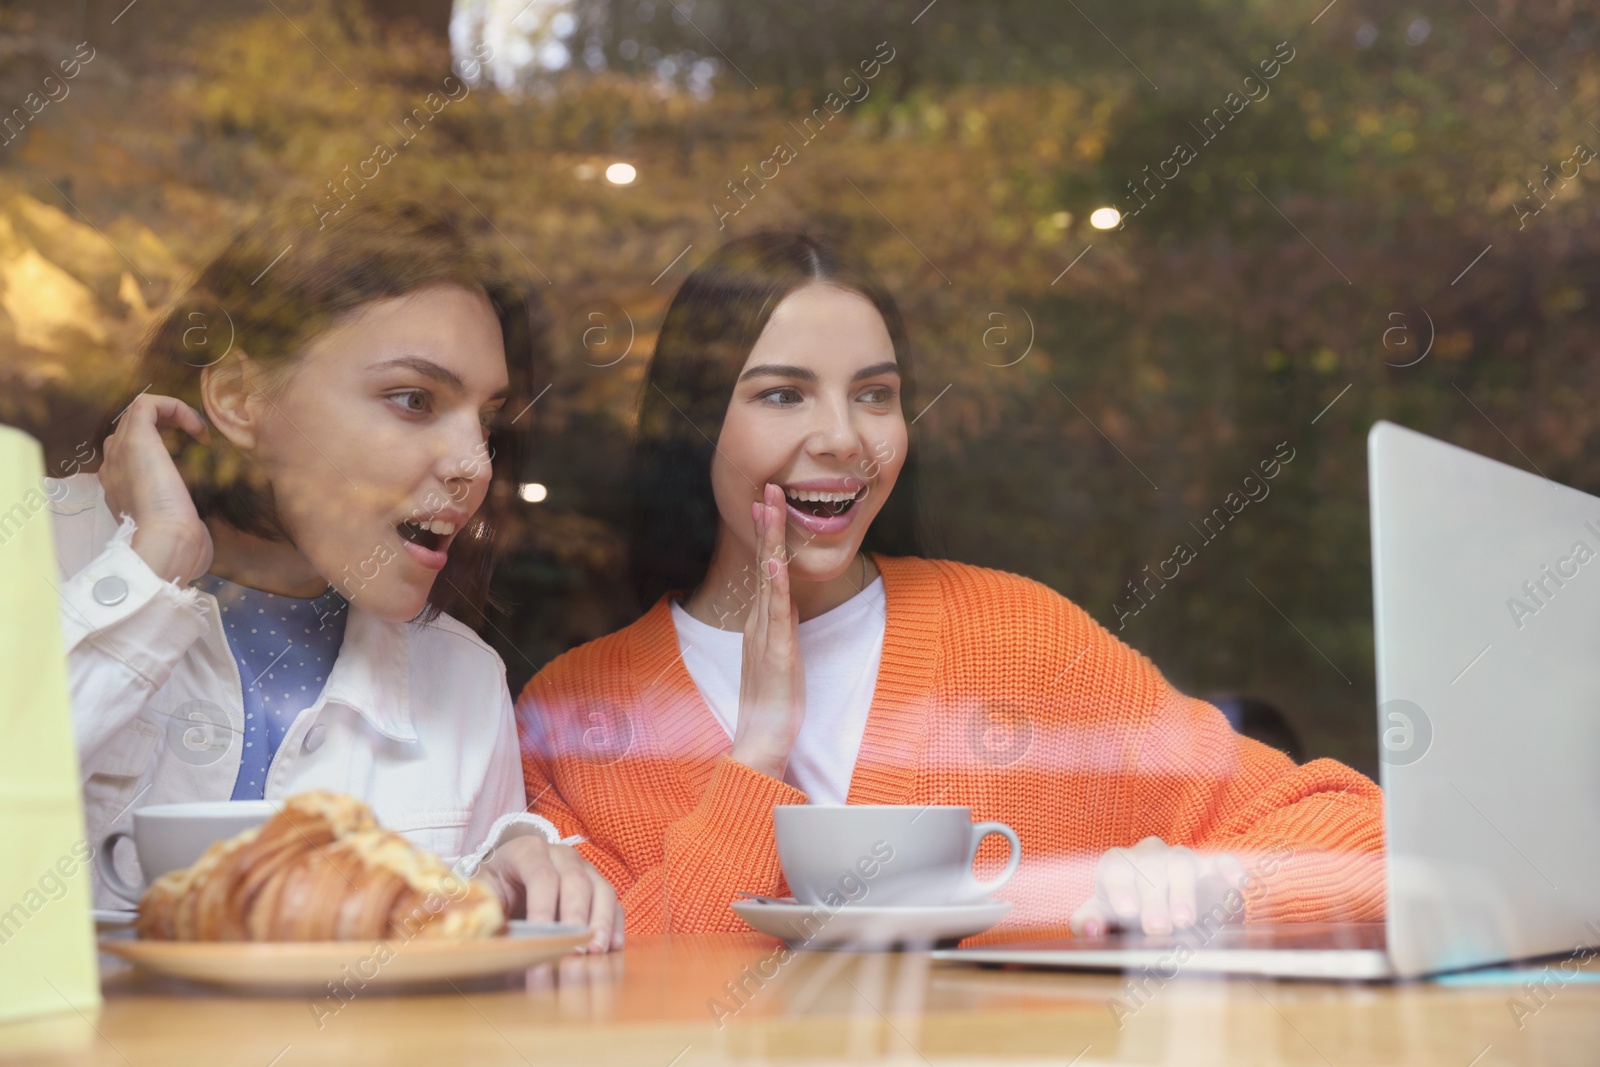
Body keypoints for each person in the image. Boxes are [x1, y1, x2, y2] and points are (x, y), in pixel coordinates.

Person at [517, 232, 1385, 937]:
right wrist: (756, 758)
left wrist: (1213, 886)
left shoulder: (1023, 641)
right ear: (691, 426)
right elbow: (627, 1008)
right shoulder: (581, 714)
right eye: (783, 395)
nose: (843, 438)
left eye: (875, 395)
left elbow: (1365, 837)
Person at [52, 199, 621, 950]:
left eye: (486, 419)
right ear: (238, 398)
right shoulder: (28, 553)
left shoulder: (463, 679)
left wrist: (504, 871)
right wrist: (151, 562)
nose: (475, 466)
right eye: (414, 400)